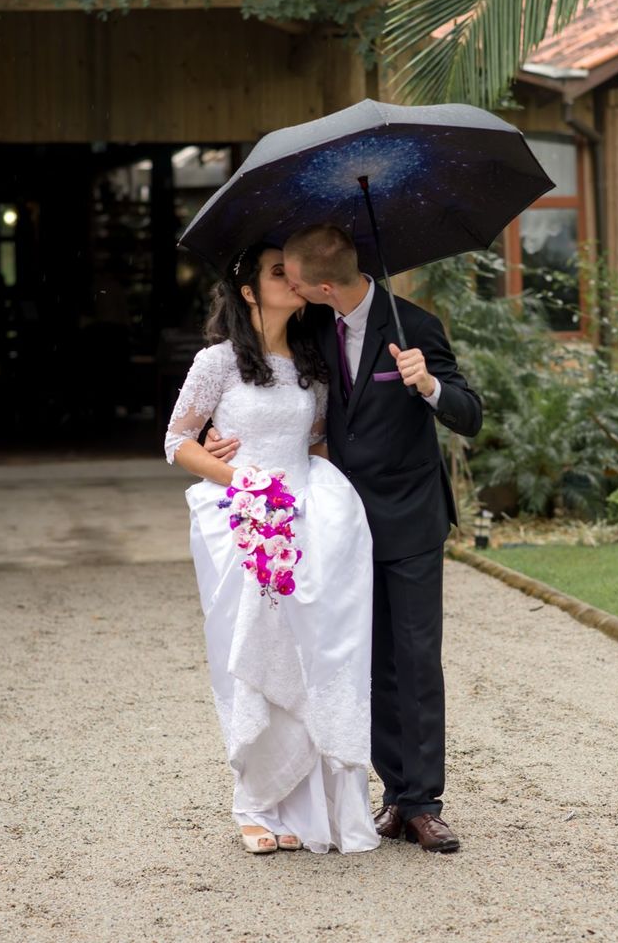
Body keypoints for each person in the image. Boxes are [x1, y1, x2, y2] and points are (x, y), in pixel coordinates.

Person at [206, 225, 482, 853]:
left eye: (297, 280)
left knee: (415, 658)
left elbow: (470, 413)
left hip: (410, 518)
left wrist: (429, 385)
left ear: (324, 285)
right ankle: (393, 795)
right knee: (364, 659)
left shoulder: (416, 326)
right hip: (335, 524)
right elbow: (281, 399)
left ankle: (423, 803)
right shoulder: (312, 330)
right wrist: (223, 440)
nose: (293, 289)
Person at [164, 243, 379, 856]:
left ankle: (312, 803)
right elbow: (178, 441)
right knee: (255, 647)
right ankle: (254, 802)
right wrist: (243, 481)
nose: (294, 279)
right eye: (278, 272)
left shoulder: (314, 363)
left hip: (309, 518)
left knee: (315, 652)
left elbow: (316, 443)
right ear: (249, 291)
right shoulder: (217, 363)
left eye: (296, 271)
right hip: (243, 518)